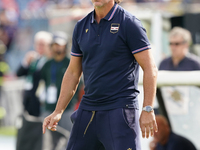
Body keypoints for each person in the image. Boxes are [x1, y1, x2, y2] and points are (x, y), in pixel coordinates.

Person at [43, 0, 158, 150]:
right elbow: (72, 72)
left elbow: (150, 68)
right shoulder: (81, 26)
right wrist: (58, 111)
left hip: (120, 109)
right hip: (88, 108)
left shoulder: (129, 23)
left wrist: (147, 108)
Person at [16, 31, 52, 117]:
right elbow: (19, 73)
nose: (40, 47)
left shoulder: (49, 61)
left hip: (41, 99)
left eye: (42, 44)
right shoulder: (34, 59)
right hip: (29, 96)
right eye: (38, 44)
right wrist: (26, 62)